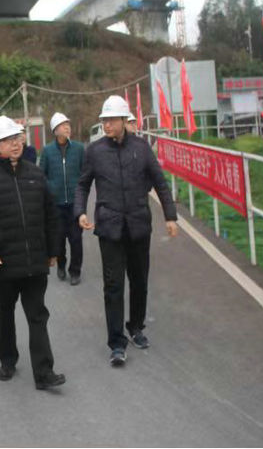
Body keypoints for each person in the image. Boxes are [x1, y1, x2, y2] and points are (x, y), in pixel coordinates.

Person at [75, 95, 178, 367]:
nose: (106, 125)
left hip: (138, 226)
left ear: (124, 120)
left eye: (111, 120)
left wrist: (170, 216)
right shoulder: (95, 151)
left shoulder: (141, 148)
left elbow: (160, 182)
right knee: (113, 286)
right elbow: (83, 184)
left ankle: (136, 327)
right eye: (104, 120)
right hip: (109, 228)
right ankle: (116, 343)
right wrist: (81, 211)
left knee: (139, 281)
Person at [0, 115, 66, 390]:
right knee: (5, 312)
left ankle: (44, 373)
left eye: (17, 138)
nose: (15, 143)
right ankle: (8, 360)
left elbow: (51, 214)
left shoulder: (35, 174)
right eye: (8, 140)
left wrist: (54, 249)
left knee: (37, 315)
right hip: (4, 263)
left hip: (34, 261)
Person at [39, 112, 85, 285]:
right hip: (56, 205)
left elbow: (85, 174)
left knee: (76, 239)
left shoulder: (79, 149)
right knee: (58, 240)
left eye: (68, 125)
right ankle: (61, 265)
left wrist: (81, 196)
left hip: (75, 204)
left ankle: (75, 271)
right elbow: (41, 175)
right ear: (55, 130)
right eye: (63, 125)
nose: (67, 128)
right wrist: (50, 190)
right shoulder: (47, 151)